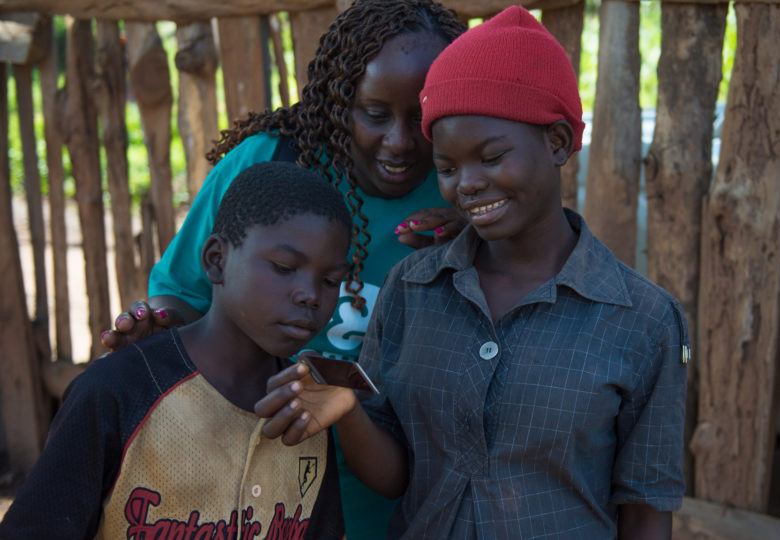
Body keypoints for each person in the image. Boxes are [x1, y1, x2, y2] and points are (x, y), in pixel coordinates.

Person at [255, 6, 689, 539]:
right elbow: (395, 479)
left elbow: (646, 511)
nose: (467, 184)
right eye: (446, 167)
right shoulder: (413, 289)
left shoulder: (642, 320)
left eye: (490, 157)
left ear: (556, 142)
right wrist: (347, 413)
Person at [99, 2, 466, 537]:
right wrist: (156, 324)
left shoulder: (464, 191)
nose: (400, 142)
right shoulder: (271, 164)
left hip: (393, 503)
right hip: (251, 498)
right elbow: (183, 296)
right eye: (375, 113)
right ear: (341, 100)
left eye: (422, 118)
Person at [0, 162, 351, 539]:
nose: (310, 295)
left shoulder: (306, 412)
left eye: (331, 280)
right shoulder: (119, 391)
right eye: (284, 267)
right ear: (216, 260)